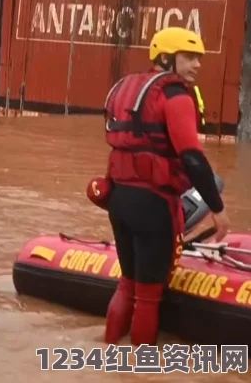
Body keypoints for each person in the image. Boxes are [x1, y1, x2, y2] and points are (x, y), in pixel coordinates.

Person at [95, 27, 230, 347]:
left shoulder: (126, 86)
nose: (197, 64)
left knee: (126, 284)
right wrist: (217, 209)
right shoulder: (175, 95)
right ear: (167, 58)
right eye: (189, 57)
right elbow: (193, 158)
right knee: (149, 297)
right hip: (154, 204)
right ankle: (140, 371)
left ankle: (108, 356)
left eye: (198, 57)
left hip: (120, 200)